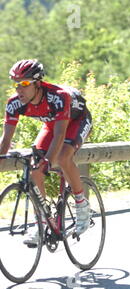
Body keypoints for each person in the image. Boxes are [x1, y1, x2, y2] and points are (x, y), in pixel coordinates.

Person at [0, 59, 93, 245]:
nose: (19, 89)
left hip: (77, 120)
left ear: (38, 83)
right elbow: (6, 139)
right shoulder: (14, 104)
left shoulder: (58, 96)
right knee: (35, 169)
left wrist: (48, 161)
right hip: (52, 124)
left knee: (63, 156)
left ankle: (82, 205)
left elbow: (60, 136)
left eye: (25, 84)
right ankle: (41, 223)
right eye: (17, 84)